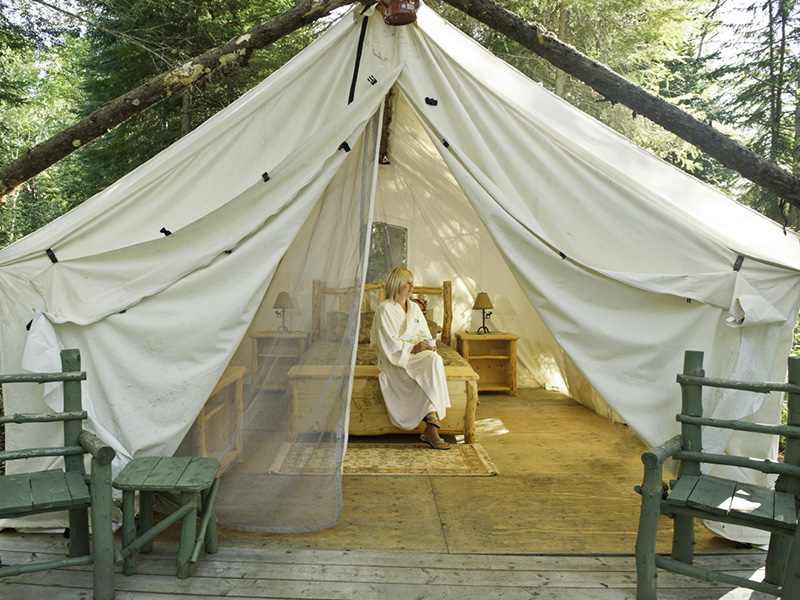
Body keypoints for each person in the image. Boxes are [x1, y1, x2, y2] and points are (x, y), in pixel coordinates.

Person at [371, 267, 452, 450]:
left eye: (412, 282)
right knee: (432, 364)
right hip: (396, 359)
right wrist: (411, 348)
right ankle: (432, 428)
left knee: (435, 359)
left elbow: (425, 333)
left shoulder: (414, 308)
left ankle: (431, 419)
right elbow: (387, 344)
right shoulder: (384, 309)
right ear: (396, 284)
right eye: (407, 282)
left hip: (416, 356)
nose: (411, 286)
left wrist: (428, 345)